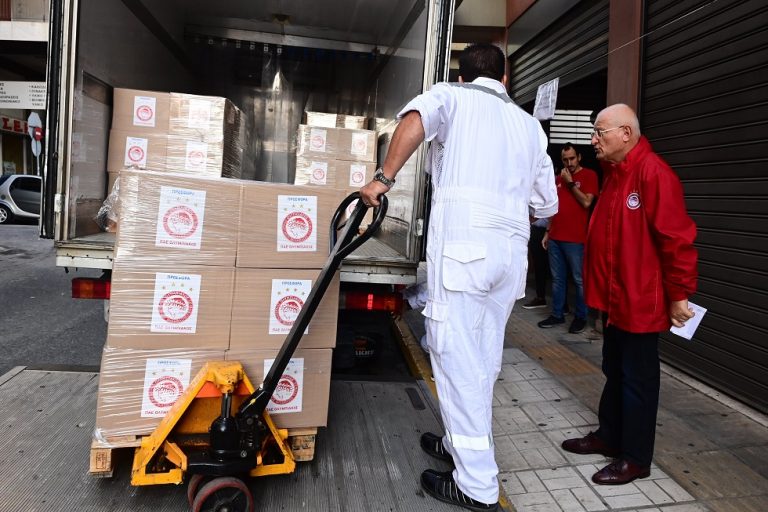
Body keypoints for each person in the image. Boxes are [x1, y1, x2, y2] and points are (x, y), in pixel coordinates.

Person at [360, 43, 558, 511]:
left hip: (466, 251)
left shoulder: (451, 95)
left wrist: (383, 179)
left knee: (455, 357)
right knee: (483, 357)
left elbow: (415, 119)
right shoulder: (530, 125)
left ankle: (476, 484)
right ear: (505, 78)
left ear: (464, 75)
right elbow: (546, 204)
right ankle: (457, 443)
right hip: (510, 257)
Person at [561, 104, 697, 485]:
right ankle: (609, 436)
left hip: (640, 301)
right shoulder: (615, 174)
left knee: (638, 379)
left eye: (599, 132)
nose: (593, 140)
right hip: (615, 300)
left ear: (625, 133)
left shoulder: (654, 174)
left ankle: (636, 458)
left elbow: (676, 239)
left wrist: (679, 294)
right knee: (615, 369)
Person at [537, 143, 599, 334]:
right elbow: (554, 209)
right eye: (565, 160)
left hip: (576, 239)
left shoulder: (589, 175)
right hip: (555, 237)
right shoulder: (558, 179)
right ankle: (557, 314)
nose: (569, 163)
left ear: (579, 157)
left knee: (579, 280)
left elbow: (587, 202)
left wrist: (570, 183)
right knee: (557, 279)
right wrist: (548, 232)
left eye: (572, 158)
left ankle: (581, 317)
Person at [522, 216, 550, 309]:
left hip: (549, 230)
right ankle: (540, 297)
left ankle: (563, 305)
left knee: (556, 269)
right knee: (538, 265)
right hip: (535, 229)